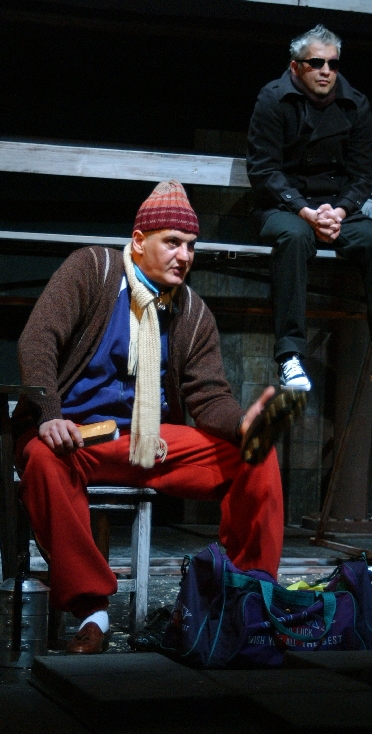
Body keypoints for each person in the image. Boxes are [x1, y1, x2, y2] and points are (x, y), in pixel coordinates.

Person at [12, 180, 284, 655]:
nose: (184, 255)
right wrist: (49, 414)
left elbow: (209, 397)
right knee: (41, 457)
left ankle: (249, 595)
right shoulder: (93, 269)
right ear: (139, 241)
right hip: (78, 437)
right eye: (172, 242)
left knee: (257, 454)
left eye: (191, 246)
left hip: (150, 442)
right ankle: (92, 612)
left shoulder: (192, 312)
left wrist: (244, 426)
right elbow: (38, 341)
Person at [247, 24, 372, 396]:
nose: (326, 71)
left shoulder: (354, 104)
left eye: (333, 64)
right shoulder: (273, 99)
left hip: (336, 209)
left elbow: (361, 176)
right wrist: (304, 211)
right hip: (284, 205)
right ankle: (289, 355)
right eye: (317, 63)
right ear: (296, 67)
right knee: (294, 238)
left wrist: (339, 212)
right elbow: (263, 171)